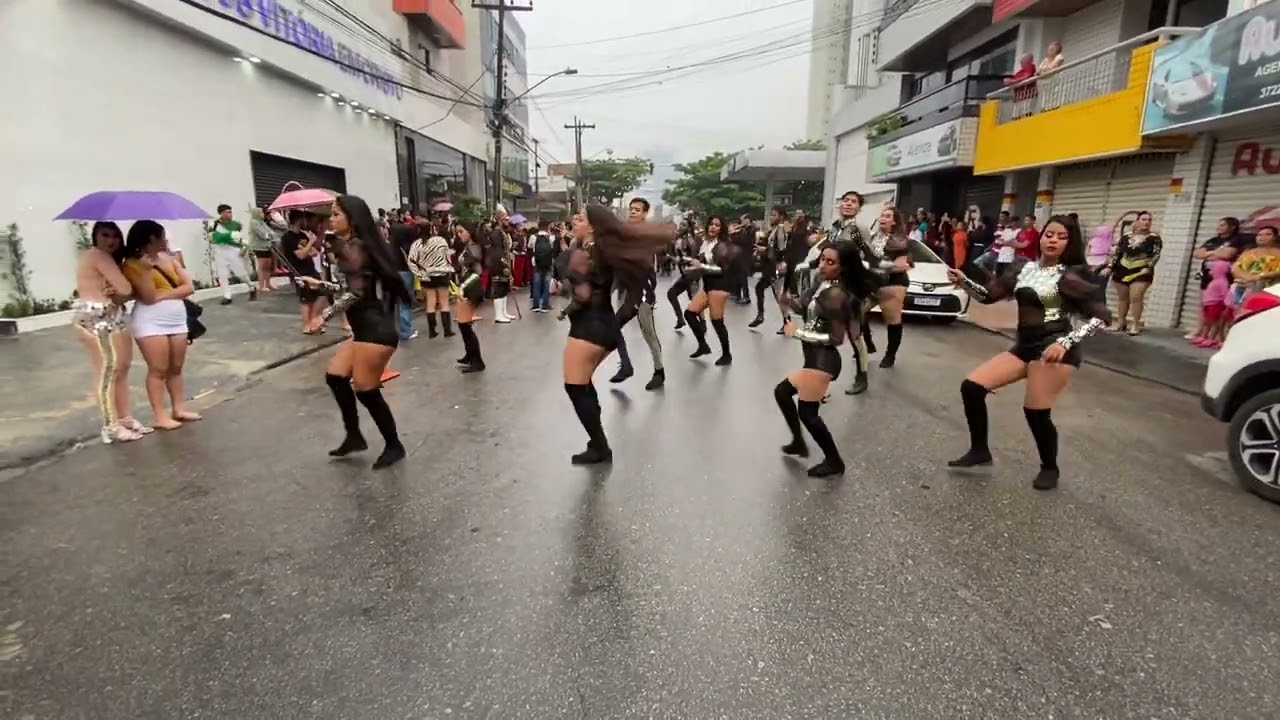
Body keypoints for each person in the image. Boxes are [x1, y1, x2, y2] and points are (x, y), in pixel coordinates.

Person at [944, 215, 1112, 491]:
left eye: (1061, 237)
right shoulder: (1024, 268)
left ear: (1069, 243)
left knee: (1036, 413)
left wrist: (1066, 342)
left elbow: (1103, 318)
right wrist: (963, 281)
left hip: (1054, 349)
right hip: (1025, 346)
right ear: (1041, 237)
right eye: (1049, 234)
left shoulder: (1072, 274)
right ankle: (979, 451)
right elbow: (988, 296)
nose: (1053, 240)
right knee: (972, 387)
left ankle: (1050, 468)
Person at [297, 195, 413, 470]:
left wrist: (323, 315)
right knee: (336, 376)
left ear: (352, 218)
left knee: (366, 389)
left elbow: (357, 293)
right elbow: (350, 290)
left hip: (375, 330)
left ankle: (394, 445)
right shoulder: (351, 246)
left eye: (337, 214)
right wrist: (320, 285)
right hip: (365, 328)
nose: (331, 219)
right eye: (331, 214)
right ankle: (354, 435)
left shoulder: (355, 247)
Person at [560, 207, 673, 465]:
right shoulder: (597, 249)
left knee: (575, 387)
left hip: (589, 327)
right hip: (601, 325)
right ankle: (597, 442)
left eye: (580, 219)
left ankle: (599, 446)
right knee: (583, 384)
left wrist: (567, 281)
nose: (574, 222)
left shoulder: (587, 253)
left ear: (592, 227)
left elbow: (583, 295)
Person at [775, 240, 878, 477]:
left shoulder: (837, 294)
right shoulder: (821, 284)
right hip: (813, 359)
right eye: (822, 259)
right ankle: (798, 442)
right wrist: (787, 299)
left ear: (843, 268)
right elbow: (803, 308)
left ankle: (834, 462)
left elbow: (835, 338)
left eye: (830, 262)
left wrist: (797, 333)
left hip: (823, 362)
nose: (822, 265)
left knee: (809, 415)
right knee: (782, 393)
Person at [73, 221, 151, 443]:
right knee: (108, 372)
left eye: (115, 236)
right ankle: (110, 425)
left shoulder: (108, 260)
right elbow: (126, 289)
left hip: (113, 316)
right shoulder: (97, 255)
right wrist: (123, 288)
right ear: (95, 237)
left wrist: (121, 289)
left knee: (122, 369)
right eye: (105, 235)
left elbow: (124, 291)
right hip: (95, 320)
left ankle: (125, 418)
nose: (111, 240)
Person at [119, 220, 199, 431]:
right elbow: (147, 297)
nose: (166, 240)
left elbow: (188, 286)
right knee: (158, 369)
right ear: (151, 238)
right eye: (162, 236)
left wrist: (164, 294)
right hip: (150, 321)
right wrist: (146, 273)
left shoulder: (168, 258)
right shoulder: (133, 264)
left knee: (176, 367)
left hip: (176, 319)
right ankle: (159, 415)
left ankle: (178, 408)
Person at [609, 197, 666, 390]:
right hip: (631, 291)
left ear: (644, 213)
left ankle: (659, 371)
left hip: (644, 292)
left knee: (648, 333)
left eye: (637, 210)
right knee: (613, 327)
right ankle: (625, 365)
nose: (633, 212)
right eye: (631, 209)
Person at [679, 216, 739, 364]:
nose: (713, 227)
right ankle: (703, 345)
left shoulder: (722, 245)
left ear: (721, 229)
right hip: (708, 285)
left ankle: (727, 355)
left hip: (719, 286)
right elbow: (701, 259)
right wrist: (690, 262)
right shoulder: (706, 243)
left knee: (717, 322)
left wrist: (701, 267)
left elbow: (722, 270)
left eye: (717, 225)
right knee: (690, 313)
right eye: (711, 224)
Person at [1100, 210, 1162, 336]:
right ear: (1137, 221)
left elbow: (1156, 254)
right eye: (1144, 219)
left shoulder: (1154, 238)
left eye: (1149, 220)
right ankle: (1121, 322)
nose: (1147, 222)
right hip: (1122, 269)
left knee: (1136, 297)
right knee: (1122, 298)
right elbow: (1118, 253)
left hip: (1141, 271)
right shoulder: (1127, 236)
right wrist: (1110, 267)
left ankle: (1135, 324)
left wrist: (1149, 267)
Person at [407, 220, 455, 338]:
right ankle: (447, 330)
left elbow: (411, 261)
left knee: (430, 302)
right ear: (431, 229)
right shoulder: (440, 241)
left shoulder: (417, 244)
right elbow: (447, 256)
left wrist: (419, 273)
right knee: (444, 303)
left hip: (427, 276)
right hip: (442, 274)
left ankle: (432, 331)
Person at [453, 222, 487, 373]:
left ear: (470, 232)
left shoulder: (474, 248)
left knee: (465, 325)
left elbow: (477, 272)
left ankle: (477, 361)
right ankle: (470, 355)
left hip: (471, 288)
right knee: (463, 324)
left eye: (461, 231)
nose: (459, 234)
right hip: (466, 287)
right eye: (457, 232)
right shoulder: (468, 247)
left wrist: (463, 286)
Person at [210, 204, 254, 304]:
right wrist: (226, 236)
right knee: (222, 275)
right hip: (220, 251)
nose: (230, 214)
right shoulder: (214, 224)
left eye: (230, 212)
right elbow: (212, 237)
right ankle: (227, 296)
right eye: (227, 212)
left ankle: (251, 286)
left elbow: (239, 238)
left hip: (233, 250)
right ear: (221, 213)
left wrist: (244, 247)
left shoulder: (236, 224)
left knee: (240, 273)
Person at [530, 219, 557, 312]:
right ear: (547, 226)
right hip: (548, 263)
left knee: (536, 283)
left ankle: (536, 305)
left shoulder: (533, 237)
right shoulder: (551, 237)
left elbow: (529, 247)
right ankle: (545, 305)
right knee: (547, 284)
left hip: (536, 263)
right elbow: (553, 248)